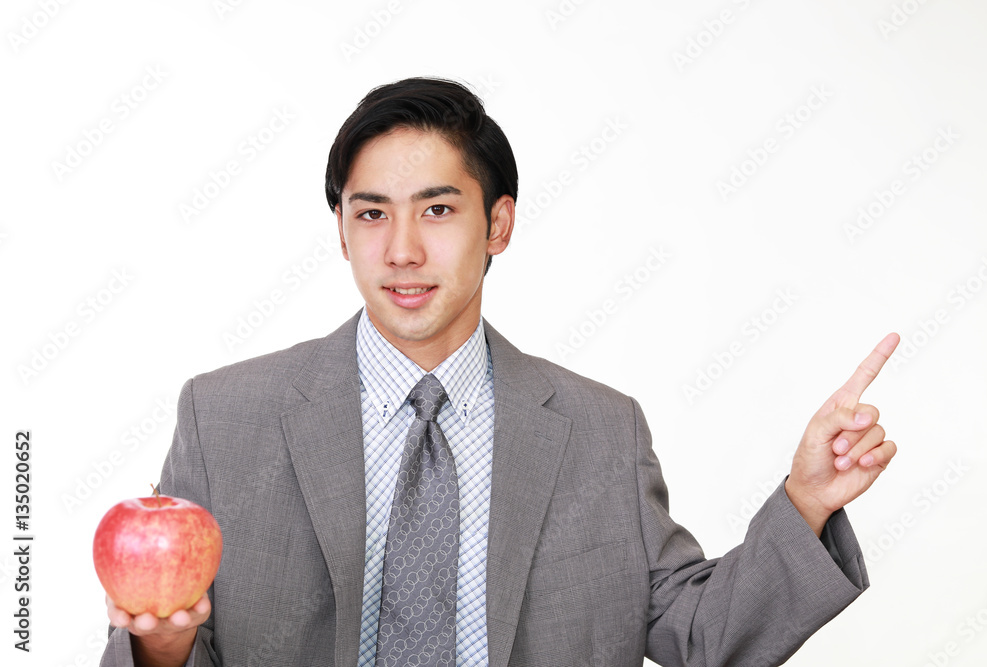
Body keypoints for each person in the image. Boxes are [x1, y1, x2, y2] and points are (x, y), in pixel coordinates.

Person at [100, 77, 899, 667]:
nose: (402, 249)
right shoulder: (225, 417)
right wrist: (162, 646)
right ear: (341, 231)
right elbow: (174, 636)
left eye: (438, 210)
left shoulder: (600, 431)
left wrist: (806, 502)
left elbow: (702, 635)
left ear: (499, 223)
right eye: (371, 213)